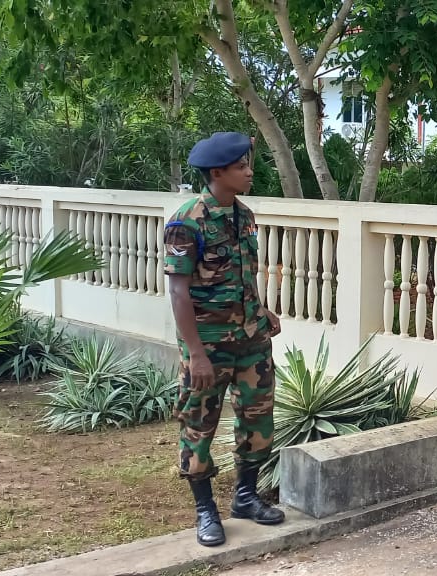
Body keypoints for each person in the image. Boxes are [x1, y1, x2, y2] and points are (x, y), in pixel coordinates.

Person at [165, 132, 286, 547]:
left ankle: (246, 498)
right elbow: (179, 291)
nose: (249, 172)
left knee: (258, 420)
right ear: (217, 173)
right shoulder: (187, 221)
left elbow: (241, 274)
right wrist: (195, 354)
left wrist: (261, 310)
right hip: (209, 345)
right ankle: (205, 511)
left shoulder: (244, 215)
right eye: (241, 167)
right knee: (199, 426)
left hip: (251, 340)